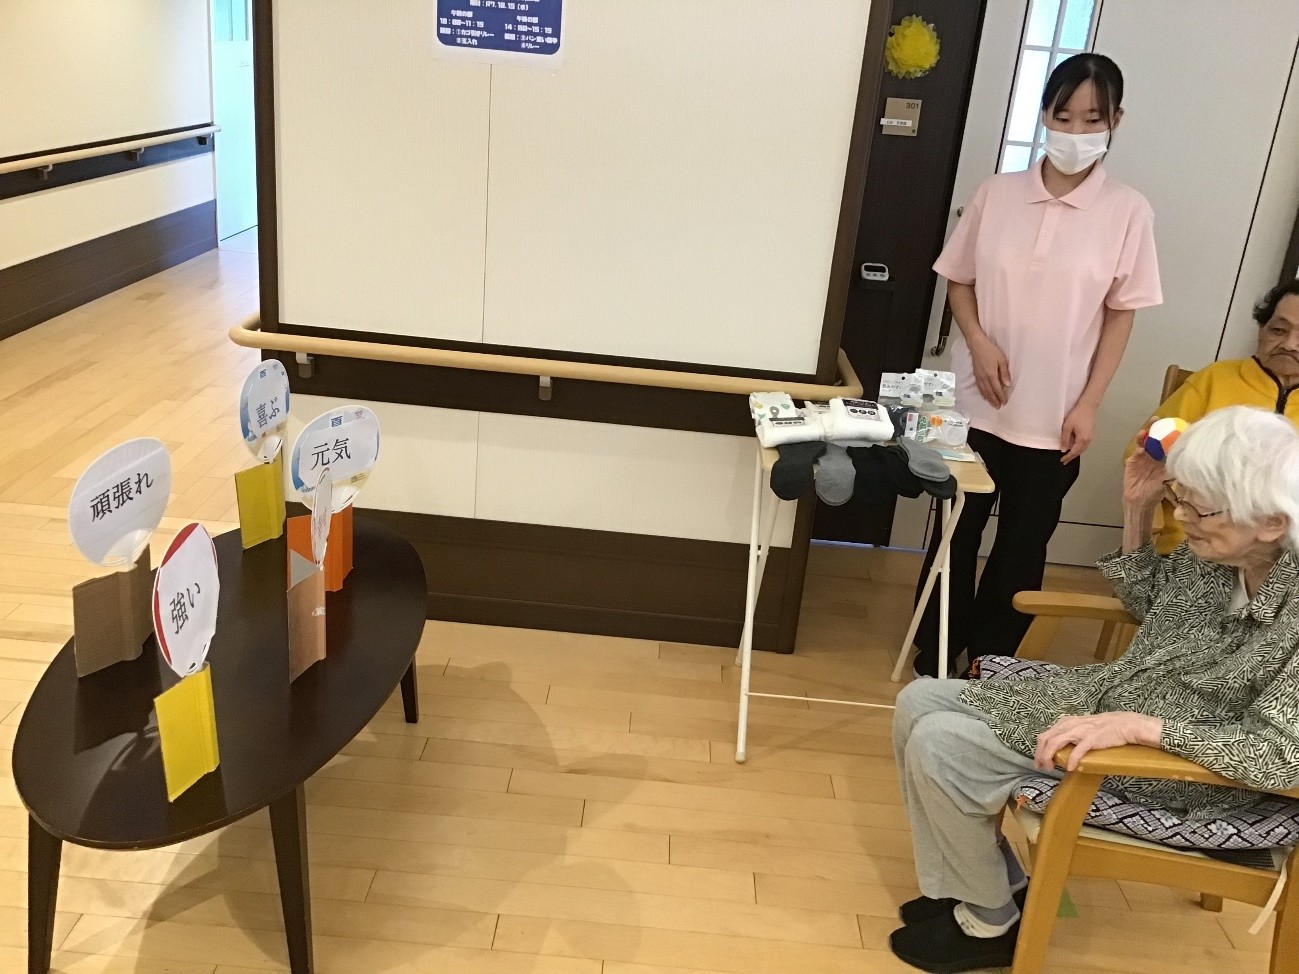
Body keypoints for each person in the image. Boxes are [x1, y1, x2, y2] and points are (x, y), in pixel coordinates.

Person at [888, 406, 1299, 973]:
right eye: (1179, 497)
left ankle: (988, 919)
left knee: (942, 745)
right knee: (920, 700)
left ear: (1273, 521)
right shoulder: (1223, 553)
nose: (1183, 515)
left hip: (1181, 772)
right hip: (1112, 701)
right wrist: (1137, 508)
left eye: (1199, 507)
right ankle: (994, 889)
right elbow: (1150, 604)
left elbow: (1283, 755)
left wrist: (1144, 729)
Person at [912, 53, 1162, 678]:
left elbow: (1121, 314)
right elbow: (959, 279)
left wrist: (1090, 403)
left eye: (1093, 119)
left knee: (1023, 544)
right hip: (974, 404)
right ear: (1045, 114)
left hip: (1056, 416)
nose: (1076, 132)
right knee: (954, 532)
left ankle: (991, 659)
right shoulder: (996, 194)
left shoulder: (1128, 211)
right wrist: (978, 341)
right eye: (1064, 115)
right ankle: (937, 649)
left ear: (1116, 121)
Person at [1132, 278, 1299, 553]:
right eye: (1279, 330)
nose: (1290, 344)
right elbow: (1144, 461)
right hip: (1195, 545)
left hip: (1287, 556)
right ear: (1262, 329)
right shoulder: (1215, 379)